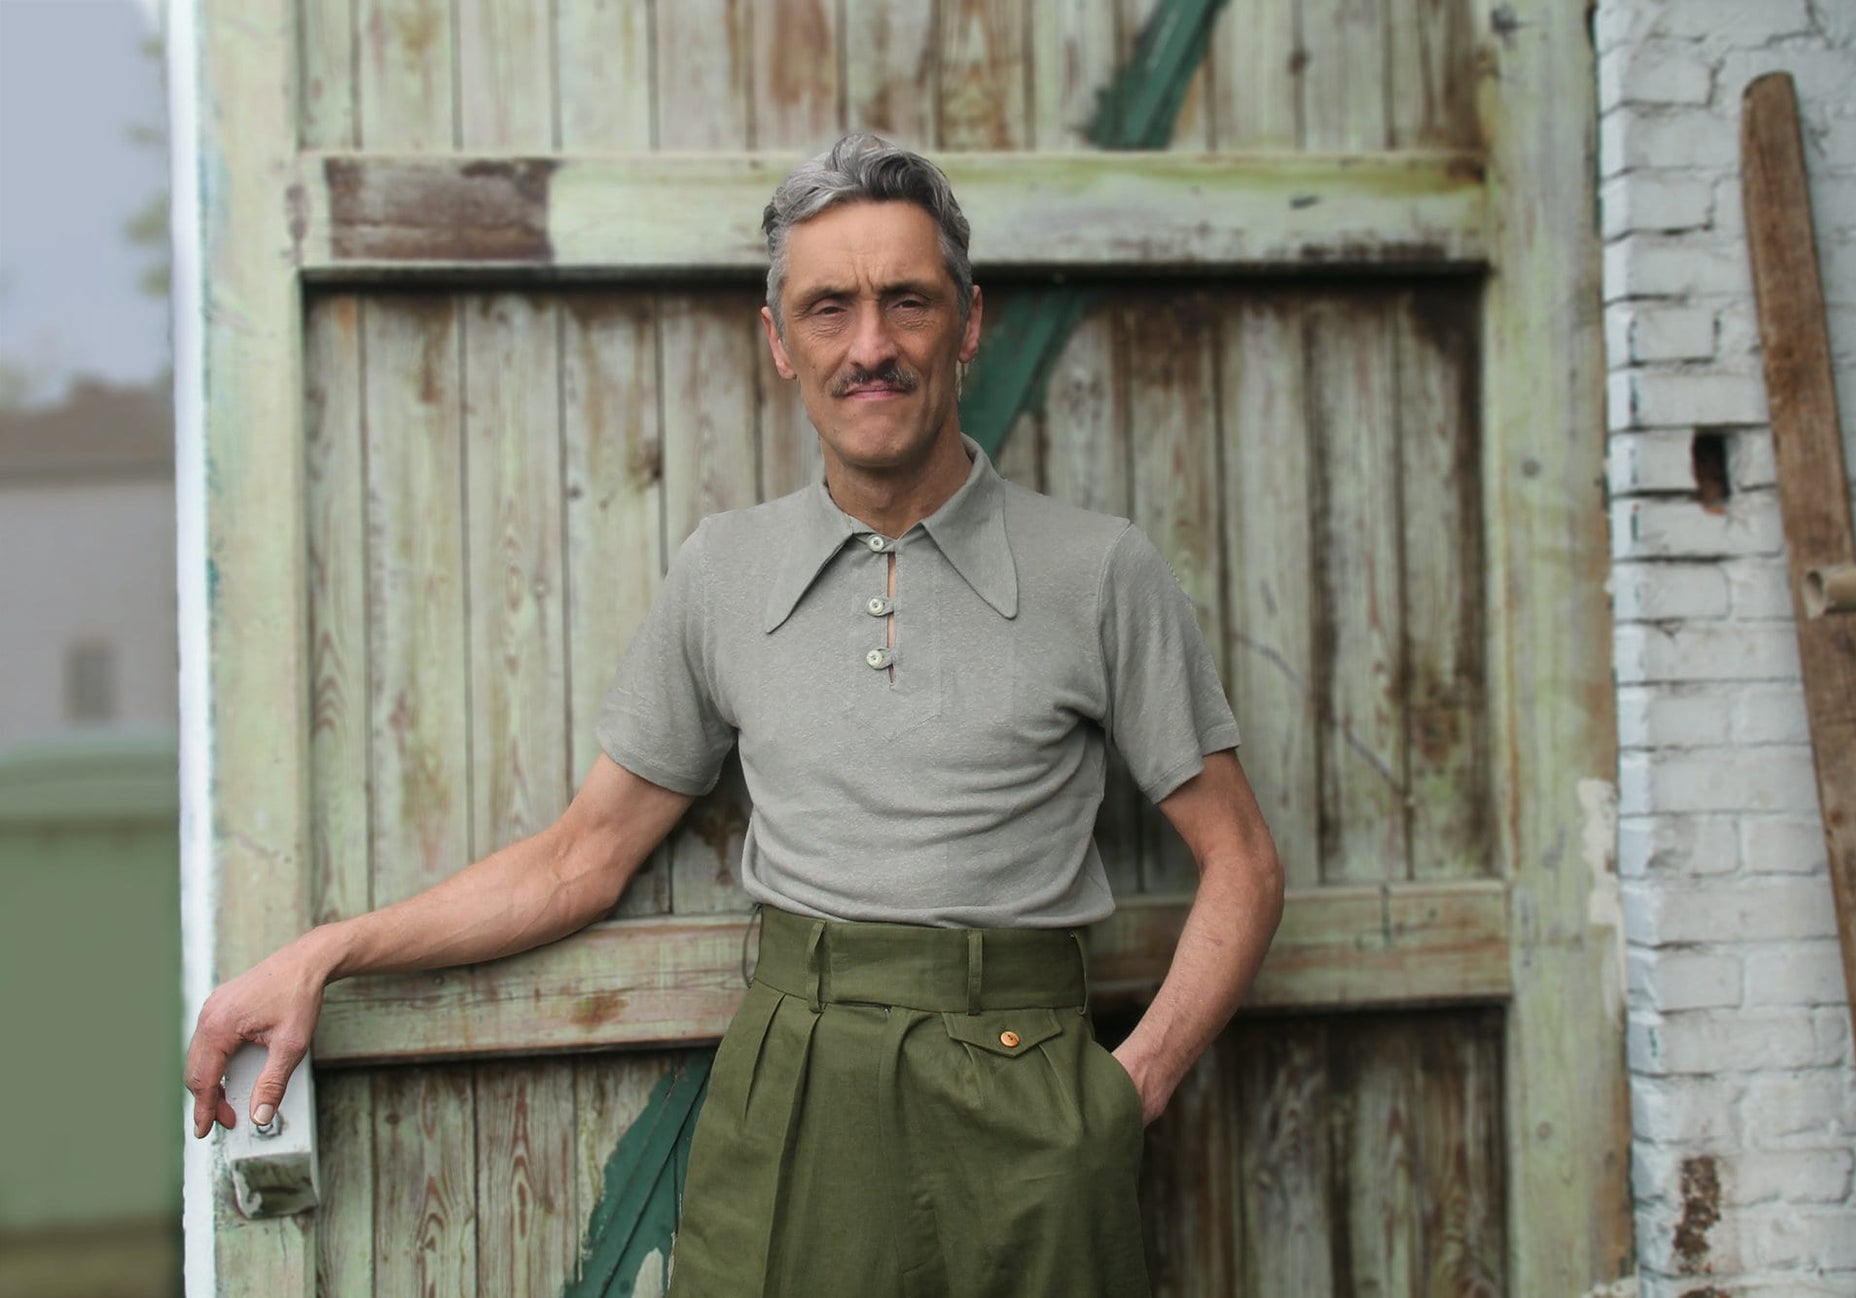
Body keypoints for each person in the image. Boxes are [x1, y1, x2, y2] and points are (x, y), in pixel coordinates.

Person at [186, 134, 1284, 1297]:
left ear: (966, 322)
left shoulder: (1098, 571)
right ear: (778, 341)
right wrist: (328, 951)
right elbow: (579, 857)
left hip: (1029, 1102)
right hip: (792, 1089)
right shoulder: (723, 571)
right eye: (828, 308)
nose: (870, 345)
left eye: (906, 300)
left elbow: (1242, 862)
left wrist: (1123, 1093)